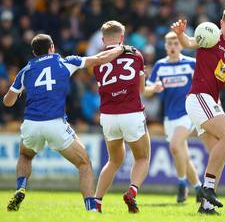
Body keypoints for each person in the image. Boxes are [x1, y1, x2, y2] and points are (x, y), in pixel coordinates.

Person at [3, 33, 132, 212]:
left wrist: (18, 92)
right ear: (52, 48)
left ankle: (20, 188)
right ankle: (91, 209)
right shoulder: (65, 62)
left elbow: (7, 102)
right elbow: (99, 58)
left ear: (34, 52)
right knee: (84, 163)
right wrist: (122, 48)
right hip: (55, 123)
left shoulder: (25, 70)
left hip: (31, 123)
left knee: (25, 155)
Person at [171, 7, 225, 214]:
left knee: (220, 152)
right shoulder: (211, 36)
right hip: (199, 97)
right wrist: (180, 33)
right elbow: (188, 42)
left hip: (210, 101)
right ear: (221, 23)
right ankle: (207, 188)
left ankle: (206, 206)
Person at [92, 21, 150, 214]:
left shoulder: (98, 61)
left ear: (103, 39)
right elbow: (142, 89)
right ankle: (132, 191)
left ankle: (97, 202)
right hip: (131, 113)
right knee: (142, 157)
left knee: (114, 160)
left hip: (108, 116)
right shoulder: (136, 54)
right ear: (122, 38)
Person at [145, 31, 202, 203]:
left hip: (188, 114)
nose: (172, 47)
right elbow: (146, 91)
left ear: (181, 45)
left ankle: (182, 184)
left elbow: (204, 84)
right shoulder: (160, 66)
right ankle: (199, 189)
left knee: (176, 146)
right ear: (165, 46)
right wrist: (153, 89)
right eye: (169, 44)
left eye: (176, 43)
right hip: (169, 116)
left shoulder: (191, 63)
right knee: (182, 153)